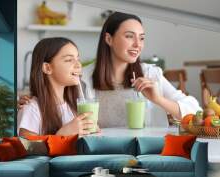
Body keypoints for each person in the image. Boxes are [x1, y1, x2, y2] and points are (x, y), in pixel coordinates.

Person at [20, 12, 201, 128]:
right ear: (109, 39)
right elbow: (52, 100)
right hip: (103, 154)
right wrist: (29, 101)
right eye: (129, 36)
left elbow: (194, 110)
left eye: (142, 38)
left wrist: (159, 99)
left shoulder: (150, 74)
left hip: (149, 152)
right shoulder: (83, 78)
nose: (138, 45)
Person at [17, 37, 95, 138]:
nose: (78, 65)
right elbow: (27, 147)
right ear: (47, 68)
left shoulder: (74, 106)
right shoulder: (32, 108)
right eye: (69, 60)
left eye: (78, 59)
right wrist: (61, 136)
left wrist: (90, 131)